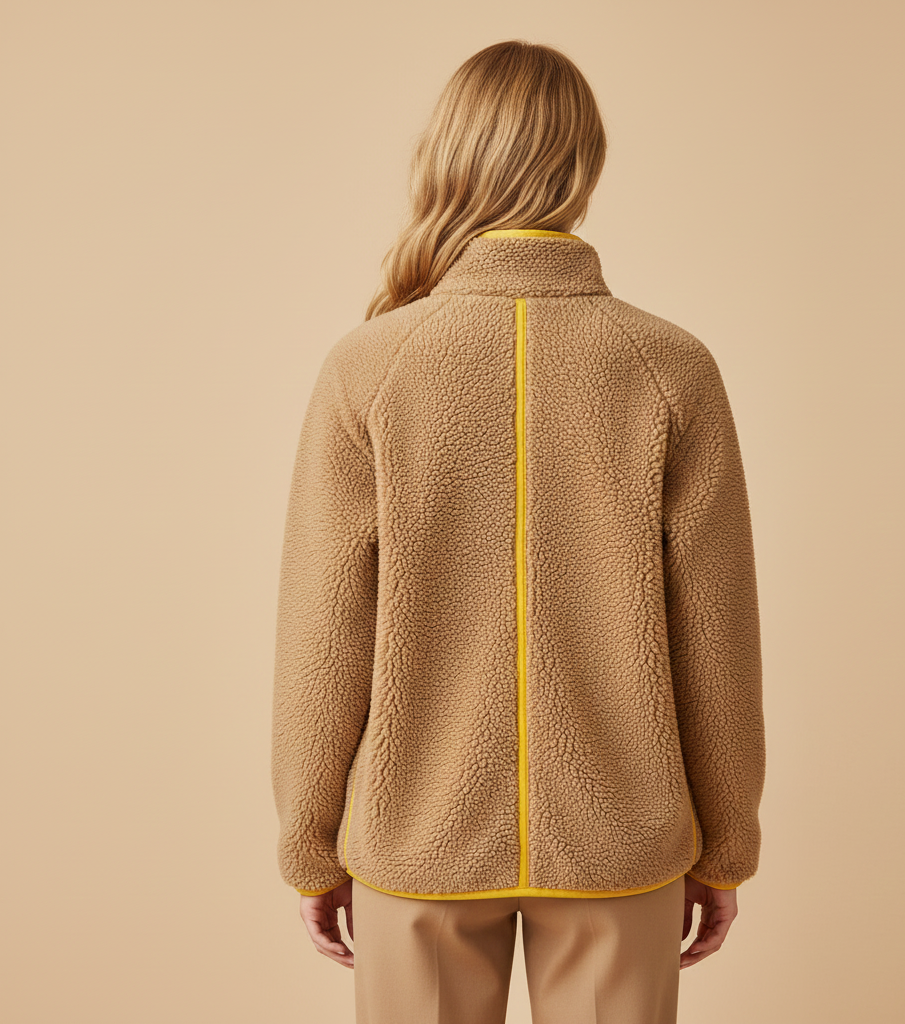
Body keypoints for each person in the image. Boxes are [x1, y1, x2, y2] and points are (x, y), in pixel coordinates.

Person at [271, 38, 766, 1024]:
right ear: (585, 166)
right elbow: (717, 639)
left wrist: (310, 845)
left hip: (416, 839)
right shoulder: (671, 366)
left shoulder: (368, 367)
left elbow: (322, 637)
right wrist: (724, 846)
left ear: (445, 156)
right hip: (620, 842)